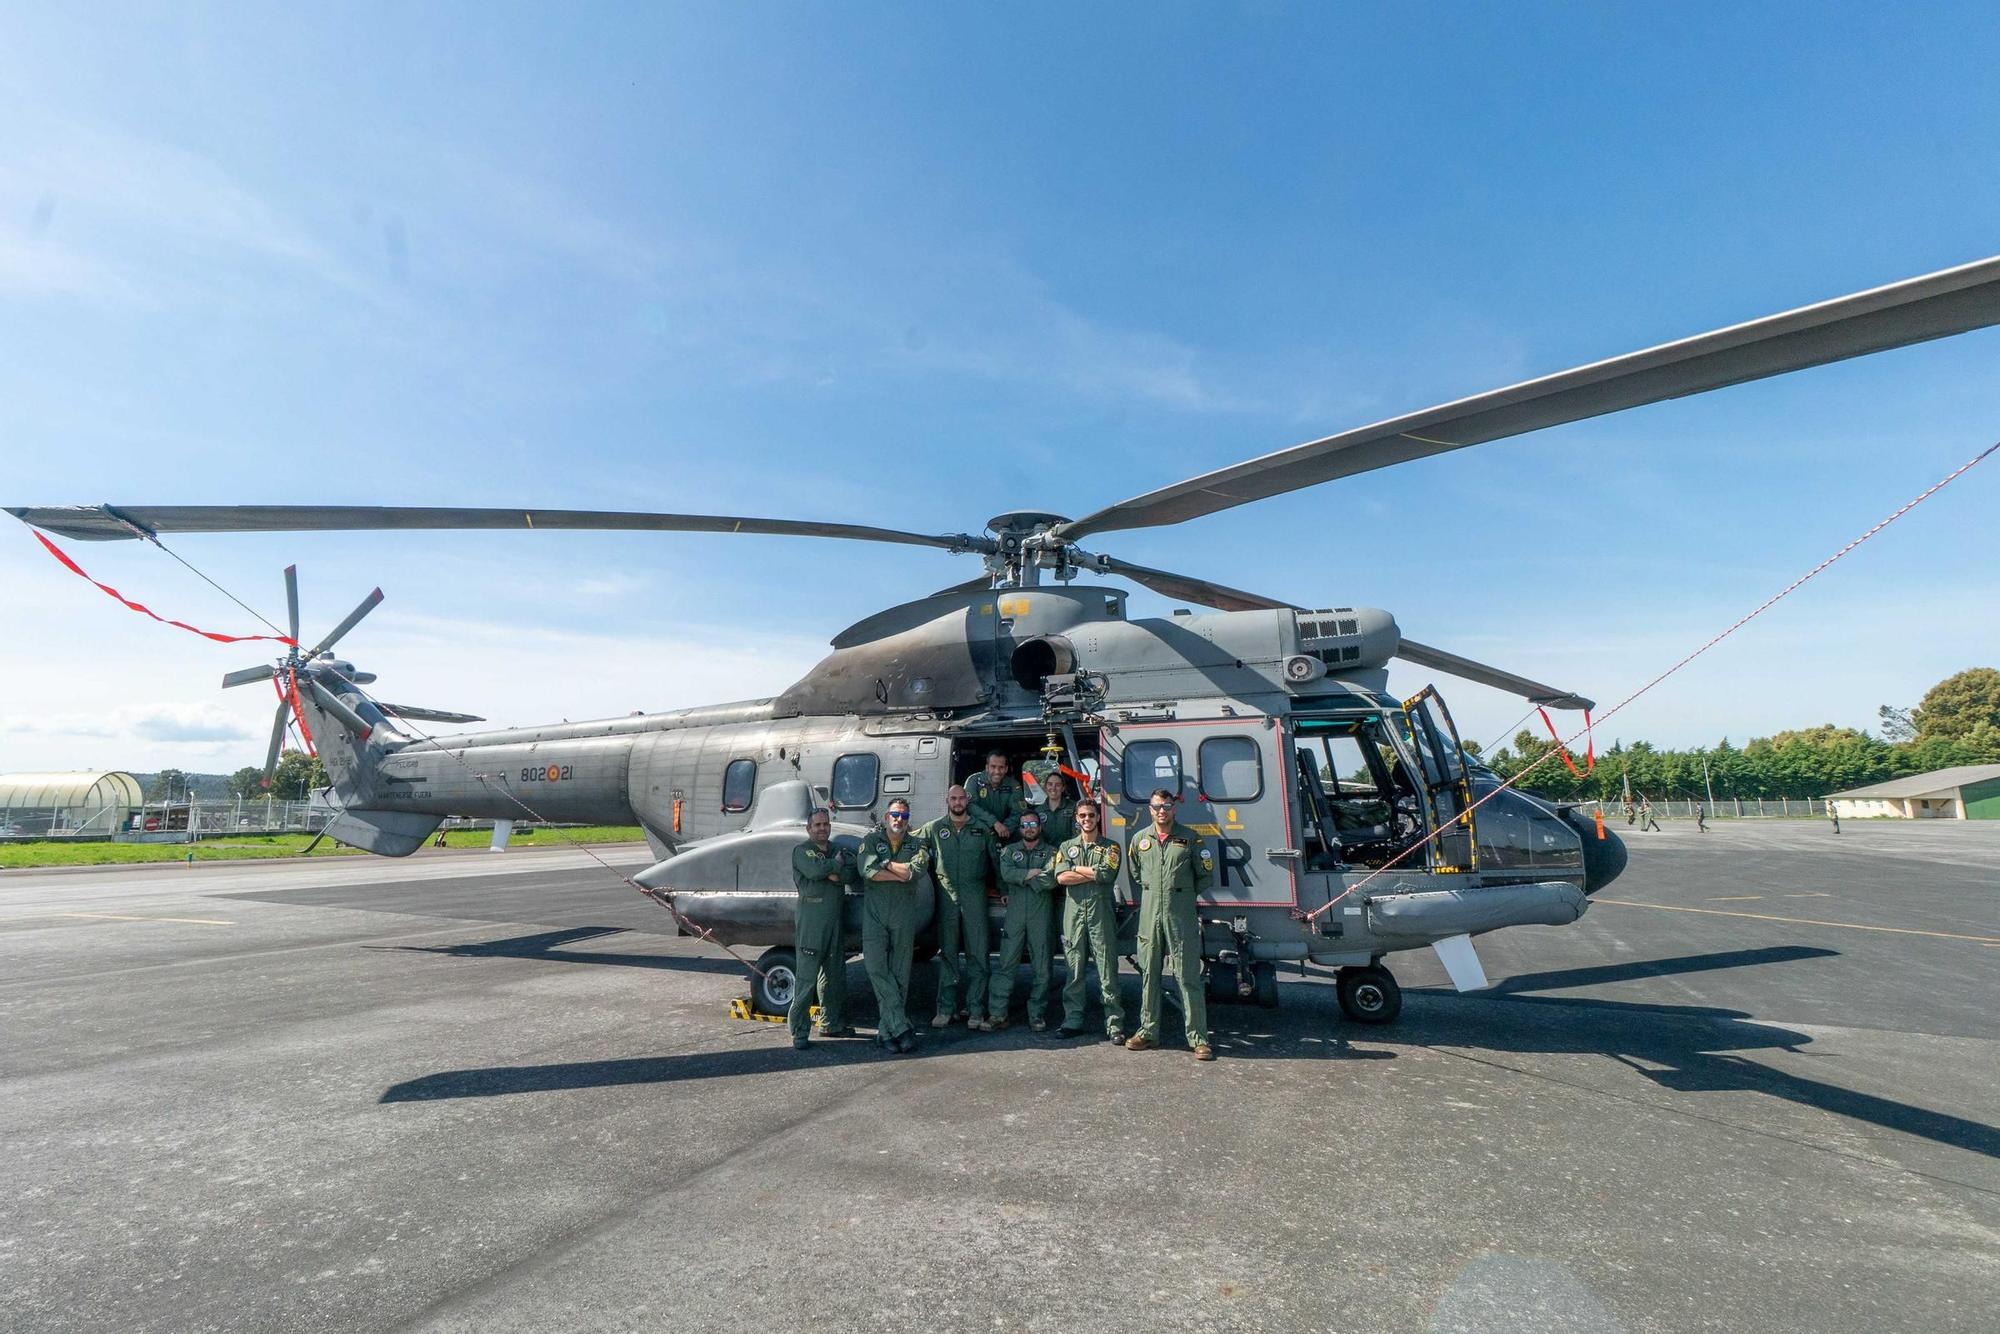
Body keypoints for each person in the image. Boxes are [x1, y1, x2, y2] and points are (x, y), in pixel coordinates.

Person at [1125, 788, 1216, 1061]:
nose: (1161, 811)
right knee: (1149, 973)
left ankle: (1198, 1038)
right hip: (1150, 910)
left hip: (1180, 912)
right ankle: (1147, 1032)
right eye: (1156, 806)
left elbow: (1205, 876)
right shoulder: (1140, 839)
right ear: (1150, 809)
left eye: (1166, 806)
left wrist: (1181, 894)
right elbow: (1136, 873)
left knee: (1187, 976)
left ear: (1174, 808)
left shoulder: (1191, 838)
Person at [911, 784, 998, 1031]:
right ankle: (945, 1009)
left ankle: (976, 1009)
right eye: (953, 798)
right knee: (948, 954)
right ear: (947, 800)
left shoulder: (981, 829)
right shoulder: (935, 827)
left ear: (967, 800)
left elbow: (995, 861)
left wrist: (1003, 890)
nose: (957, 802)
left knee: (978, 954)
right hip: (946, 896)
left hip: (974, 895)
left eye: (961, 798)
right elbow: (910, 840)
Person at [859, 797, 928, 1053]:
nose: (899, 819)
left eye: (904, 816)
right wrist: (900, 874)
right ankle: (900, 1027)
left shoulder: (917, 844)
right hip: (875, 916)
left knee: (900, 974)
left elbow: (915, 873)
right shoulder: (870, 842)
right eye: (895, 815)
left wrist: (886, 863)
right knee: (876, 968)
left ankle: (885, 1033)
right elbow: (868, 871)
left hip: (903, 915)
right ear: (887, 817)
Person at [1053, 800, 1126, 1043]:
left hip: (1100, 913)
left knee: (1107, 971)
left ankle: (1114, 1024)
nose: (1087, 819)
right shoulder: (1066, 846)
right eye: (1082, 815)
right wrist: (1090, 872)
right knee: (1074, 969)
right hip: (1074, 915)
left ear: (1098, 817)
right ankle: (1072, 1021)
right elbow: (1061, 877)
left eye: (1091, 815)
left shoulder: (1111, 847)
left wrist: (1075, 868)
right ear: (1077, 818)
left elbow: (1106, 874)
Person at [788, 809, 858, 1050]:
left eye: (825, 824)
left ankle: (831, 1024)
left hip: (835, 920)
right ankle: (799, 1031)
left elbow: (850, 873)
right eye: (817, 825)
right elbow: (813, 871)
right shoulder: (802, 851)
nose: (822, 828)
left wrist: (831, 870)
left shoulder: (837, 850)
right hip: (812, 921)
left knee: (834, 975)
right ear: (809, 828)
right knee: (806, 979)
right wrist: (833, 867)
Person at [988, 809, 1060, 1031]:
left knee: (1042, 967)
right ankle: (998, 1014)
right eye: (1024, 825)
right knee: (1006, 964)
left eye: (1033, 824)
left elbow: (1051, 879)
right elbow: (1006, 874)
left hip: (1041, 914)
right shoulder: (1010, 851)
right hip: (1016, 915)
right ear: (1019, 829)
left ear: (1040, 827)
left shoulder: (1052, 852)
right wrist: (1031, 873)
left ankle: (1036, 1015)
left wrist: (1022, 877)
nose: (1029, 829)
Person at [967, 750, 1027, 843]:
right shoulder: (974, 781)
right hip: (979, 832)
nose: (997, 771)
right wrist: (994, 823)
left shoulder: (1013, 785)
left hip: (1005, 832)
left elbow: (1018, 811)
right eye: (993, 767)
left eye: (1001, 767)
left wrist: (1005, 828)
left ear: (1006, 769)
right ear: (987, 767)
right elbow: (970, 806)